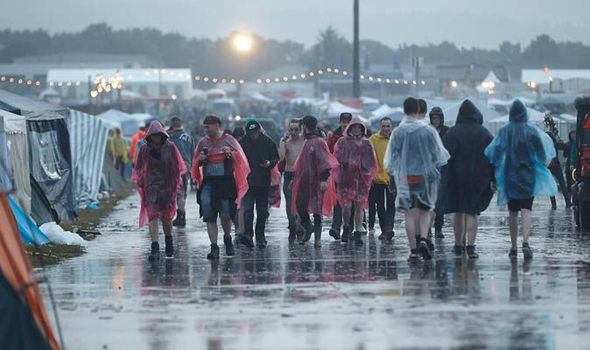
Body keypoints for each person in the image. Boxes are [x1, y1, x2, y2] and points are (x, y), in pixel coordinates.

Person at [485, 99, 557, 260]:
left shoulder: (504, 131)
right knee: (526, 209)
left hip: (510, 176)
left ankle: (513, 246)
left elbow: (494, 154)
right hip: (528, 176)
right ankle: (525, 242)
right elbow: (542, 155)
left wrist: (493, 177)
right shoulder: (532, 131)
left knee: (512, 211)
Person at [384, 97, 450, 262]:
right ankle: (423, 239)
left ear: (404, 110)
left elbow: (391, 159)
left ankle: (414, 251)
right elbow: (439, 156)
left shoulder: (398, 132)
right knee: (425, 211)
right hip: (425, 178)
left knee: (410, 214)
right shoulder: (428, 131)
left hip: (405, 178)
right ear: (419, 110)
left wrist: (394, 179)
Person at [441, 100, 494, 259]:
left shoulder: (452, 133)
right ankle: (471, 246)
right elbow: (493, 156)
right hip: (478, 178)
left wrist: (444, 177)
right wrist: (493, 177)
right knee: (472, 212)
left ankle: (458, 244)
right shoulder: (484, 133)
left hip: (455, 178)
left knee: (457, 211)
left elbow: (444, 157)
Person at [192, 116, 250, 259]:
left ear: (218, 125)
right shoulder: (202, 142)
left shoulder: (229, 140)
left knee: (225, 215)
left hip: (226, 183)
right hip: (209, 183)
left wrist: (230, 154)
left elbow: (241, 159)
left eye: (208, 127)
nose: (206, 129)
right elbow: (196, 163)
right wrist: (201, 160)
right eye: (204, 127)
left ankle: (227, 238)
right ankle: (214, 247)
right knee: (209, 214)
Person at [132, 121, 186, 260]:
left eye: (158, 135)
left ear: (162, 135)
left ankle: (169, 241)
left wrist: (175, 184)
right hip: (151, 187)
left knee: (166, 218)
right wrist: (141, 181)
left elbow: (177, 166)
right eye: (154, 135)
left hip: (167, 187)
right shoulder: (145, 149)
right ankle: (155, 246)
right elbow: (138, 167)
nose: (156, 138)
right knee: (153, 216)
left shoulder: (171, 147)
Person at [291, 116, 339, 247]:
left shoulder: (318, 141)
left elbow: (325, 161)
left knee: (317, 209)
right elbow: (301, 163)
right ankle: (309, 228)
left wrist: (324, 179)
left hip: (317, 181)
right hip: (304, 181)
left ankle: (317, 239)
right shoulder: (307, 141)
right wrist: (295, 178)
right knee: (300, 205)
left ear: (305, 125)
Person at [333, 115, 378, 245]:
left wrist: (367, 175)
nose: (357, 129)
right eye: (355, 127)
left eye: (359, 127)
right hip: (346, 179)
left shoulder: (366, 143)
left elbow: (371, 162)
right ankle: (346, 227)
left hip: (361, 180)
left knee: (360, 206)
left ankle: (358, 231)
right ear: (350, 127)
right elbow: (336, 159)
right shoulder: (342, 142)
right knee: (346, 206)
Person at [239, 119, 280, 248]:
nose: (254, 136)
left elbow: (275, 158)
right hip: (248, 182)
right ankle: (248, 235)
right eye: (251, 134)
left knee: (262, 212)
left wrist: (269, 163)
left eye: (256, 133)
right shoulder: (243, 142)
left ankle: (260, 236)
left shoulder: (267, 142)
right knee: (248, 211)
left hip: (263, 182)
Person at [368, 117, 396, 241]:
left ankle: (389, 228)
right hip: (377, 178)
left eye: (388, 126)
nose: (385, 129)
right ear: (380, 127)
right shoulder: (373, 140)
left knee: (391, 204)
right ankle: (384, 229)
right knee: (380, 205)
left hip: (392, 178)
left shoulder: (395, 139)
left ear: (391, 127)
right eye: (383, 126)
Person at [279, 119, 305, 242]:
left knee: (301, 202)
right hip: (289, 173)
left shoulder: (304, 140)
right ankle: (293, 226)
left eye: (296, 129)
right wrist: (283, 142)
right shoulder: (285, 142)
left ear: (300, 129)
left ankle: (300, 225)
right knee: (290, 203)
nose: (293, 132)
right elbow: (281, 157)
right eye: (291, 129)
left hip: (301, 174)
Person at [327, 113, 353, 239]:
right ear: (340, 122)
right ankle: (336, 227)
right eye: (343, 121)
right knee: (337, 202)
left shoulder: (356, 136)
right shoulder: (334, 137)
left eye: (348, 122)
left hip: (352, 175)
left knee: (351, 202)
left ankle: (349, 229)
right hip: (337, 173)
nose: (345, 124)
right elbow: (329, 153)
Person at [168, 117, 196, 227]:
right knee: (183, 193)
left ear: (172, 125)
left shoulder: (170, 138)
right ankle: (182, 215)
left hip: (174, 167)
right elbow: (193, 153)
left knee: (177, 193)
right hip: (187, 167)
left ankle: (180, 216)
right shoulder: (189, 137)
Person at [429, 106, 449, 238]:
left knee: (440, 200)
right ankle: (428, 227)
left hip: (443, 168)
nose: (436, 120)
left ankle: (438, 228)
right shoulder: (428, 130)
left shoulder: (447, 131)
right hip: (429, 169)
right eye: (434, 118)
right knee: (429, 200)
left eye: (438, 118)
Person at [544, 114, 571, 209]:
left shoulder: (544, 145)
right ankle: (567, 202)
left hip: (548, 167)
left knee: (551, 186)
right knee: (562, 183)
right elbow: (565, 148)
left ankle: (554, 205)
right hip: (555, 165)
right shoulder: (554, 144)